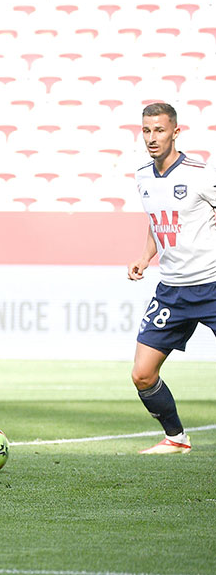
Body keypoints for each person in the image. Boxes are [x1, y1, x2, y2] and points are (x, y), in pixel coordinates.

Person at [127, 102, 212, 454]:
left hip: (211, 284)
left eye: (159, 130)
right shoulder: (143, 177)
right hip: (172, 291)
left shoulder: (200, 174)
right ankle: (176, 438)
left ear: (175, 132)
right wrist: (146, 256)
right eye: (146, 130)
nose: (151, 138)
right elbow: (158, 219)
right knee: (142, 374)